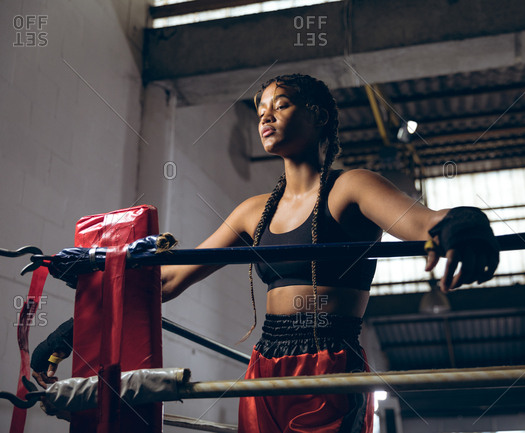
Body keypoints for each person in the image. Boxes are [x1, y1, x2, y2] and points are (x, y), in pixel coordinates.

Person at [32, 74, 499, 432]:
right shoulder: (252, 211)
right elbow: (170, 282)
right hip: (263, 364)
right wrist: (85, 323)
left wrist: (462, 222)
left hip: (329, 361)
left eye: (282, 104)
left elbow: (422, 223)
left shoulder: (351, 187)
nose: (265, 116)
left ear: (317, 116)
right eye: (260, 110)